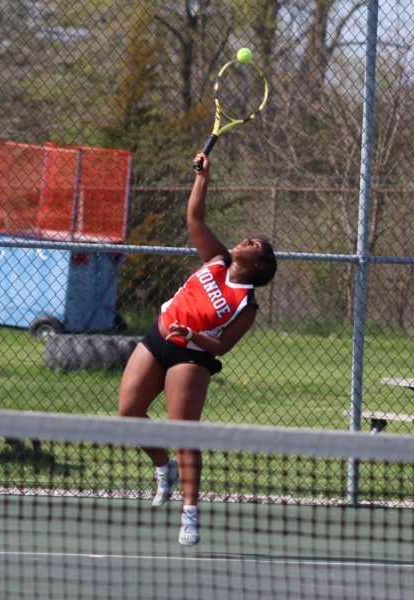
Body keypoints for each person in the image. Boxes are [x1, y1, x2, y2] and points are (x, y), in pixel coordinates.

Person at [117, 152, 277, 546]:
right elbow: (196, 220)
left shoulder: (246, 304)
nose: (248, 239)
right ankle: (163, 467)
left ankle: (190, 513)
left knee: (184, 432)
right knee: (127, 414)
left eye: (256, 244)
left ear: (259, 266)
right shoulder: (218, 260)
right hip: (158, 337)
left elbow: (222, 345)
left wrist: (191, 335)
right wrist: (203, 177)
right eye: (250, 237)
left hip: (192, 355)